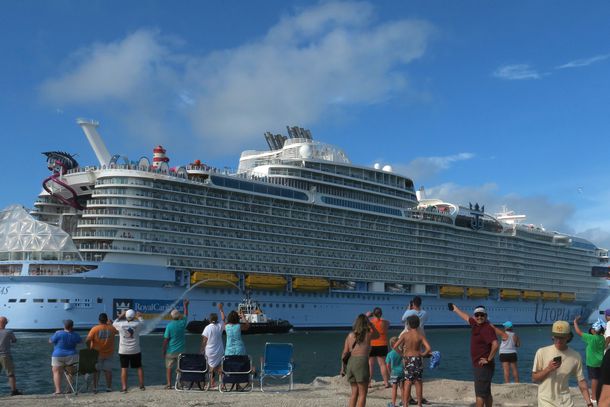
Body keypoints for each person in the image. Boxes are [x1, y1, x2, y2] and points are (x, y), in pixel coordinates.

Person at [532, 320, 593, 407]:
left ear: (568, 336)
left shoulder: (575, 356)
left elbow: (581, 381)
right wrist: (548, 369)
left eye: (562, 337)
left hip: (566, 401)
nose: (558, 340)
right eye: (556, 336)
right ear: (552, 336)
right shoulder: (541, 352)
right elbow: (534, 378)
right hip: (546, 401)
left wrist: (589, 403)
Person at [449, 303, 498, 407]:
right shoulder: (475, 324)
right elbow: (466, 317)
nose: (479, 317)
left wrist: (488, 359)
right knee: (486, 392)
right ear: (474, 316)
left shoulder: (487, 328)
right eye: (477, 315)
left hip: (483, 367)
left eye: (482, 315)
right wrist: (455, 309)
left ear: (486, 316)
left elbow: (495, 345)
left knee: (480, 396)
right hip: (481, 367)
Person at [341, 313, 380, 407]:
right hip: (361, 362)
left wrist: (342, 368)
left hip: (351, 363)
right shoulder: (368, 334)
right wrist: (371, 324)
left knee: (354, 392)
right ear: (366, 323)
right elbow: (377, 335)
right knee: (362, 394)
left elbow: (344, 353)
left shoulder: (350, 335)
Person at [394, 315, 432, 407]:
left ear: (408, 324)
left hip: (408, 359)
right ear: (418, 324)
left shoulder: (405, 335)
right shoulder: (420, 335)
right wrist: (422, 354)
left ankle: (405, 404)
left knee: (407, 382)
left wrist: (402, 354)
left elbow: (395, 346)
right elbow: (428, 348)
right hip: (418, 358)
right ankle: (419, 404)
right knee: (418, 381)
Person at [573, 316, 605, 404]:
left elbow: (578, 332)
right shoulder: (602, 338)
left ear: (594, 330)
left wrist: (575, 322)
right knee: (598, 378)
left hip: (592, 362)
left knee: (594, 379)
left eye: (592, 328)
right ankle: (598, 393)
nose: (591, 329)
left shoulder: (591, 338)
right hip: (600, 361)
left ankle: (594, 396)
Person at [113, 309, 145, 392]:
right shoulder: (137, 324)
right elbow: (142, 323)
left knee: (124, 368)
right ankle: (141, 386)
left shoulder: (120, 324)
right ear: (134, 316)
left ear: (126, 316)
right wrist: (139, 317)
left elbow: (113, 323)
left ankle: (124, 387)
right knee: (139, 367)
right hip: (135, 350)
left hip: (123, 350)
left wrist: (121, 316)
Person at [86, 312, 118, 392]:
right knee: (108, 371)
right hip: (109, 353)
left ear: (99, 320)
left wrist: (89, 348)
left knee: (96, 371)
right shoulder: (111, 328)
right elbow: (117, 332)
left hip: (97, 353)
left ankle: (95, 388)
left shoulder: (95, 328)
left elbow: (88, 340)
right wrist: (111, 324)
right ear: (106, 320)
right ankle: (108, 388)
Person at [49, 319, 82, 395]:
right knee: (70, 373)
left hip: (58, 355)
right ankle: (69, 389)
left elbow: (50, 341)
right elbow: (80, 341)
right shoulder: (75, 334)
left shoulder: (58, 333)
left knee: (56, 372)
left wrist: (56, 333)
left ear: (64, 326)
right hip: (72, 355)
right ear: (72, 326)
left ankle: (58, 390)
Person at [162, 298, 189, 389]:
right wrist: (185, 306)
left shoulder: (169, 326)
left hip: (171, 350)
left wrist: (164, 350)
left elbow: (166, 339)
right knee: (181, 368)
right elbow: (186, 314)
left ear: (172, 317)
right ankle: (181, 383)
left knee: (169, 367)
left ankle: (169, 384)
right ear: (179, 316)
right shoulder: (182, 323)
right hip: (181, 350)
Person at [201, 303, 225, 389]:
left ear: (209, 319)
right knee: (219, 367)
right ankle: (222, 383)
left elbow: (204, 340)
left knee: (211, 368)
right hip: (219, 350)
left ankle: (212, 383)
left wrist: (202, 349)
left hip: (210, 351)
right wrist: (221, 309)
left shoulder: (207, 327)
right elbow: (223, 318)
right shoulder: (219, 326)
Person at [368, 307, 390, 388]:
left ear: (373, 314)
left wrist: (370, 316)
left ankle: (369, 383)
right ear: (381, 314)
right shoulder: (386, 323)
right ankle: (386, 383)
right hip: (382, 344)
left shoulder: (370, 322)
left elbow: (363, 323)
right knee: (382, 364)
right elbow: (387, 324)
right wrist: (378, 316)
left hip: (371, 345)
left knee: (370, 365)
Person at [0, 316, 21, 396]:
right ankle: (14, 391)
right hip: (5, 355)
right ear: (6, 323)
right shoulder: (8, 332)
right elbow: (14, 340)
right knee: (10, 374)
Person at [385, 336, 404, 407]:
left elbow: (387, 365)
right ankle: (403, 401)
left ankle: (393, 403)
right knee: (402, 387)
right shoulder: (401, 353)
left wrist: (389, 373)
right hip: (402, 372)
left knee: (394, 388)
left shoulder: (390, 354)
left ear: (391, 345)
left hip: (393, 372)